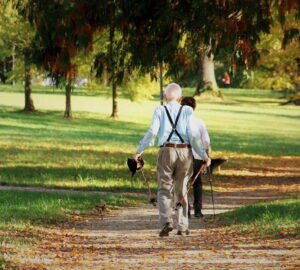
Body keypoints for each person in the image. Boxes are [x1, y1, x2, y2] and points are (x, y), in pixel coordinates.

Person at [133, 83, 210, 237]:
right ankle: (182, 226)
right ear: (180, 98)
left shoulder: (160, 110)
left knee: (164, 188)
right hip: (184, 151)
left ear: (165, 97)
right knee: (181, 188)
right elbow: (194, 136)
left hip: (166, 151)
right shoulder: (187, 111)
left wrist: (139, 150)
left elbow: (153, 132)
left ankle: (167, 222)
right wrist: (203, 155)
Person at [181, 97, 211, 218]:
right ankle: (198, 211)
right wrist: (207, 155)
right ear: (194, 108)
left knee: (183, 182)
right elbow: (206, 140)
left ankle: (186, 211)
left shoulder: (178, 123)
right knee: (197, 183)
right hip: (198, 156)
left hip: (182, 156)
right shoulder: (199, 122)